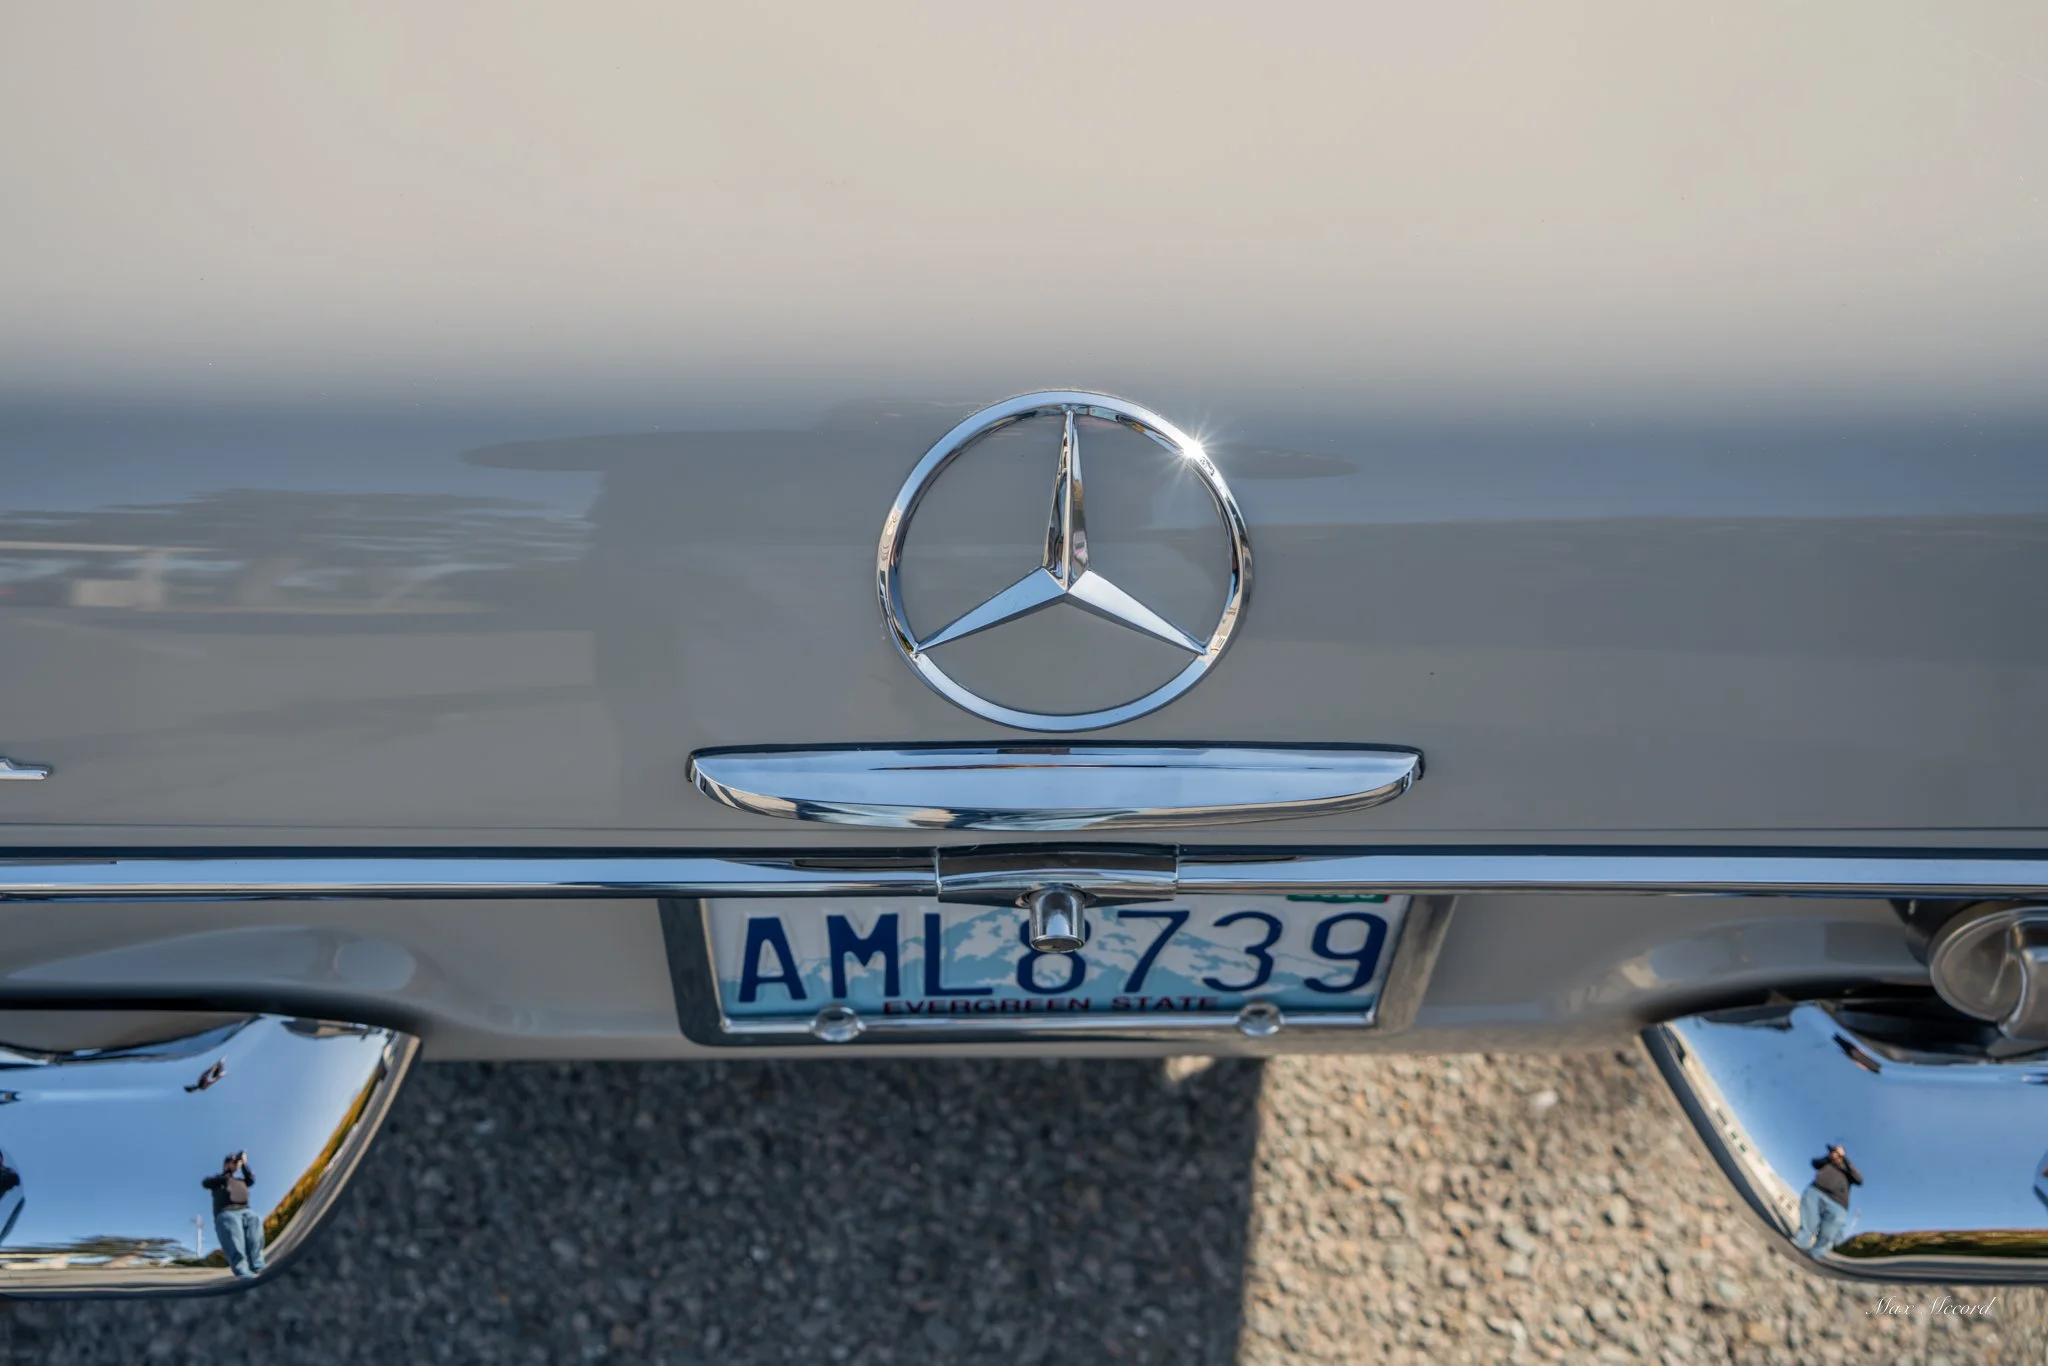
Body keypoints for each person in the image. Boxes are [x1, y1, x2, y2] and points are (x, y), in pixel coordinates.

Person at [201, 1151, 264, 1277]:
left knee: (255, 1225)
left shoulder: (241, 1180)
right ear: (226, 1164)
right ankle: (243, 1271)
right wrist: (227, 1172)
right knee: (235, 1241)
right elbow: (205, 1183)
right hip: (227, 1212)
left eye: (236, 1163)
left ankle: (258, 1266)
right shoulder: (219, 1180)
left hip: (246, 1210)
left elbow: (251, 1180)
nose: (236, 1165)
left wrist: (244, 1163)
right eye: (233, 1163)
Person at [1792, 1142, 1862, 1257]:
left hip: (1838, 1203)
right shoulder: (1826, 1162)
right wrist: (1828, 1158)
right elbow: (1814, 1163)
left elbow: (1859, 1180)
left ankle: (1815, 1255)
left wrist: (1845, 1159)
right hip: (1816, 1193)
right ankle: (1799, 1243)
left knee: (1828, 1233)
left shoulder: (1848, 1170)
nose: (1833, 1154)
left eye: (1836, 1152)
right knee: (1809, 1222)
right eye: (1832, 1152)